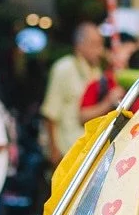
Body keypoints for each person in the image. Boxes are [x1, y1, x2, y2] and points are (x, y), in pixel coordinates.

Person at [41, 22, 105, 164]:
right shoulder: (63, 68)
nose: (100, 51)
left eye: (101, 44)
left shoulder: (97, 72)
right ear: (80, 45)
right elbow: (50, 113)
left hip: (88, 151)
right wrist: (54, 151)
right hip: (65, 151)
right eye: (94, 44)